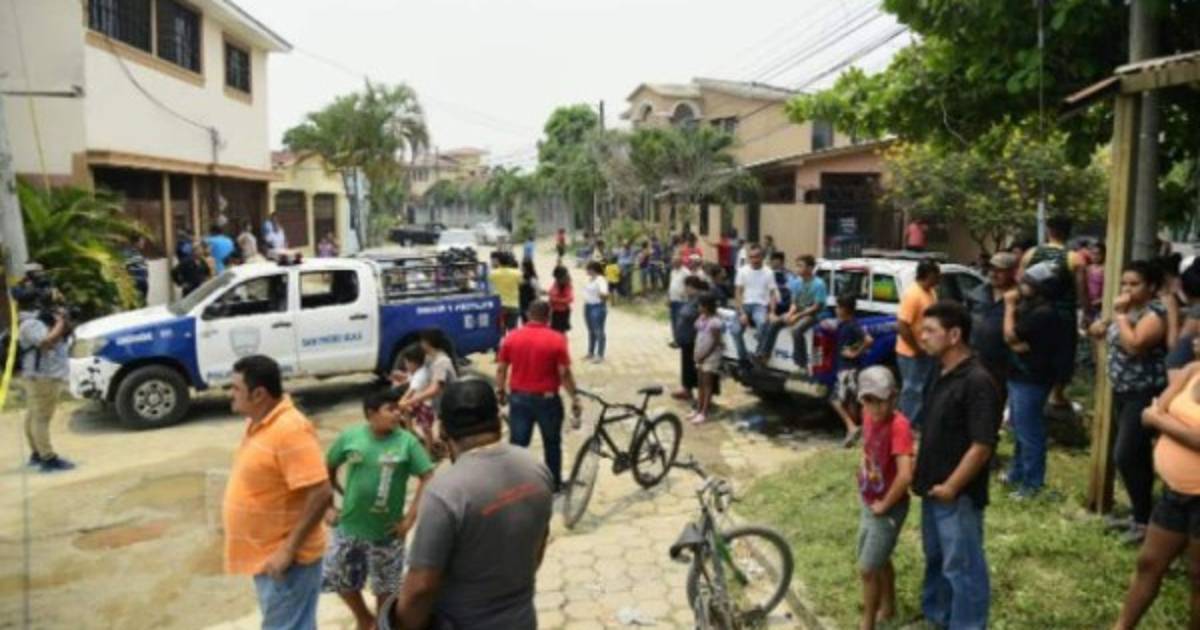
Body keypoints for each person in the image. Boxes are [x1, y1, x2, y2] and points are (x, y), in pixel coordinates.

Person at [383, 379, 554, 630]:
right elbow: (538, 547)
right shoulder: (536, 469)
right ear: (498, 420)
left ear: (443, 430)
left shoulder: (445, 492)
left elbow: (421, 587)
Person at [223, 355, 333, 630]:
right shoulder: (260, 422)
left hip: (287, 562)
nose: (230, 393)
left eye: (235, 388)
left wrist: (288, 549)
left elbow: (321, 492)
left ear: (259, 394)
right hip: (269, 558)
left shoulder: (290, 430)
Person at [912, 301, 1002, 630]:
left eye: (930, 330)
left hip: (957, 495)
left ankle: (968, 624)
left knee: (963, 567)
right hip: (932, 488)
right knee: (937, 559)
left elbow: (982, 446)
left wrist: (952, 487)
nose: (922, 336)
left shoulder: (977, 381)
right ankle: (938, 617)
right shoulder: (939, 371)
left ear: (954, 335)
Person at [323, 389, 434, 630]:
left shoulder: (407, 442)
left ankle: (381, 625)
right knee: (339, 578)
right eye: (390, 409)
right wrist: (329, 506)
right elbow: (326, 466)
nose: (397, 414)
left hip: (387, 533)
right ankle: (364, 619)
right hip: (348, 527)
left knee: (386, 589)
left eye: (398, 409)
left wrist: (409, 521)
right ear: (371, 414)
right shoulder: (350, 437)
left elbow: (428, 476)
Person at [1113, 359, 1200, 628]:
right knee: (1149, 563)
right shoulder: (1193, 370)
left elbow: (1157, 417)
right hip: (1175, 493)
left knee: (1198, 577)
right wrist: (1164, 421)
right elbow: (1149, 413)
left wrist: (1163, 422)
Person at [1087, 260, 1168, 544]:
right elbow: (1109, 332)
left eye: (1134, 284)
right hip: (1122, 390)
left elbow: (1135, 345)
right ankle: (1140, 516)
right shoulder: (1130, 311)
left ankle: (1145, 520)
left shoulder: (1155, 313)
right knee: (1136, 456)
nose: (1127, 289)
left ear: (1152, 287)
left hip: (1143, 392)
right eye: (1124, 283)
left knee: (1126, 455)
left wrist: (1119, 315)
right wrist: (1102, 325)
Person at [496, 300, 583, 491]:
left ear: (528, 314)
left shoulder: (512, 338)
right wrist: (574, 396)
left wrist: (500, 391)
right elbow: (564, 373)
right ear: (548, 316)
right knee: (552, 443)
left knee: (518, 445)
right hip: (548, 400)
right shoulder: (557, 339)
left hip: (519, 399)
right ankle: (554, 484)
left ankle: (515, 485)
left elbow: (501, 369)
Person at [854, 366, 914, 630]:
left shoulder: (899, 426)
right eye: (868, 401)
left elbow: (905, 475)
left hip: (889, 506)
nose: (876, 408)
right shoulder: (867, 416)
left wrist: (886, 504)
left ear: (894, 397)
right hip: (869, 500)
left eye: (881, 401)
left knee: (867, 568)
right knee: (879, 557)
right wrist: (863, 475)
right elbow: (868, 448)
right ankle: (888, 606)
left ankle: (868, 623)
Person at [1002, 262, 1066, 498]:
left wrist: (1009, 307)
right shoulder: (1033, 309)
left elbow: (1010, 336)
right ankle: (1017, 473)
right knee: (1020, 428)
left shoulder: (1043, 314)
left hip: (1032, 378)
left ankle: (1032, 484)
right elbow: (1017, 342)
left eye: (1027, 282)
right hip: (1020, 375)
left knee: (1029, 432)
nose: (1021, 286)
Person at [1020, 216, 1087, 409]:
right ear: (1069, 232)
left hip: (1034, 314)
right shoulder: (1074, 258)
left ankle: (1035, 389)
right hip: (1063, 315)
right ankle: (1056, 394)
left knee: (1034, 350)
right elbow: (1082, 291)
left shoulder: (1031, 253)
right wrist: (1086, 312)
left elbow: (1021, 281)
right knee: (1063, 355)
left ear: (1048, 230)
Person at [13, 270, 74, 472]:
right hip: (43, 376)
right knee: (41, 418)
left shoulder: (33, 319)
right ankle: (47, 458)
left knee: (34, 415)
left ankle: (36, 453)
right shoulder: (30, 323)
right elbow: (46, 342)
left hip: (37, 375)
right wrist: (61, 322)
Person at [758, 254, 826, 367]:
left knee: (796, 330)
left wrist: (797, 316)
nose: (797, 268)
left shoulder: (819, 284)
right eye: (797, 265)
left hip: (814, 314)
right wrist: (790, 314)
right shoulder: (797, 282)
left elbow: (816, 307)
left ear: (810, 268)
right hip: (799, 311)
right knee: (774, 322)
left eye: (800, 266)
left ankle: (801, 364)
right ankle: (764, 355)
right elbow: (794, 303)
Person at [967, 252, 1018, 398]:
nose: (994, 274)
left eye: (1000, 271)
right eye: (992, 269)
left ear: (1012, 272)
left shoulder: (1020, 297)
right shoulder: (977, 293)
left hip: (1006, 364)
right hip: (977, 359)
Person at [896, 260, 940, 426]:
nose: (939, 279)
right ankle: (906, 426)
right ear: (928, 275)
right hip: (911, 353)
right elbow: (902, 325)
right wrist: (916, 347)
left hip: (929, 350)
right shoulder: (913, 295)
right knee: (912, 390)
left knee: (926, 389)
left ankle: (920, 424)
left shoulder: (931, 292)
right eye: (936, 275)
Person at [829, 294, 872, 447]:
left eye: (838, 307)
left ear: (845, 309)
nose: (836, 310)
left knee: (835, 400)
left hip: (848, 369)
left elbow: (868, 340)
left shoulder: (853, 325)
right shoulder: (844, 324)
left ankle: (851, 427)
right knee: (851, 401)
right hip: (847, 368)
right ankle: (856, 432)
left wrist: (855, 353)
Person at [731, 245, 779, 366]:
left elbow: (773, 293)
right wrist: (742, 312)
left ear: (762, 257)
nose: (754, 259)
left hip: (760, 306)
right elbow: (737, 293)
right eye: (751, 257)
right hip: (745, 304)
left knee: (763, 324)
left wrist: (772, 312)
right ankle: (743, 359)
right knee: (735, 330)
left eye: (757, 256)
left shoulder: (769, 272)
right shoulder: (742, 271)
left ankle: (758, 354)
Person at [402, 329, 458, 417]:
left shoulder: (442, 362)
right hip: (437, 404)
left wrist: (410, 401)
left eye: (422, 341)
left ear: (427, 343)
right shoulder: (429, 358)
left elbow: (434, 389)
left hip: (448, 405)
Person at [672, 276, 710, 404]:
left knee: (696, 369)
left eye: (686, 287)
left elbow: (703, 318)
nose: (685, 290)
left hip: (695, 339)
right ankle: (686, 389)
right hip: (686, 339)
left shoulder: (701, 299)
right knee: (686, 366)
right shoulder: (690, 299)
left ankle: (702, 397)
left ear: (692, 287)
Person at [691, 294, 724, 425]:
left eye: (700, 305)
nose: (698, 308)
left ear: (706, 306)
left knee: (707, 384)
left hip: (710, 356)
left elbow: (716, 343)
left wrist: (704, 356)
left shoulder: (715, 322)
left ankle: (704, 412)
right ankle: (698, 409)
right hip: (700, 354)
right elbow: (697, 328)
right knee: (700, 383)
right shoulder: (702, 318)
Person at [583, 261, 610, 362]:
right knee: (591, 330)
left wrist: (601, 298)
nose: (586, 271)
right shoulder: (590, 279)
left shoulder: (600, 280)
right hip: (588, 306)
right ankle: (590, 352)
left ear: (593, 270)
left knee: (599, 331)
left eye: (588, 269)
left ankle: (600, 354)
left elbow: (604, 293)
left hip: (597, 306)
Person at [489, 253, 522, 336]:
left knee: (500, 330)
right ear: (509, 262)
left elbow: (489, 285)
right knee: (513, 331)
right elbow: (521, 283)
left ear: (499, 262)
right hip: (513, 305)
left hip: (499, 305)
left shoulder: (493, 273)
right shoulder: (517, 273)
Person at [667, 254, 692, 348]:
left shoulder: (686, 272)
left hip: (682, 301)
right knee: (673, 321)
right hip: (673, 299)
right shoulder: (673, 271)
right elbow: (670, 285)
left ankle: (681, 341)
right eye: (672, 261)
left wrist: (685, 293)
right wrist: (668, 297)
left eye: (675, 261)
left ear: (680, 262)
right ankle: (676, 340)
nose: (673, 263)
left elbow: (690, 285)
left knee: (680, 322)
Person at [547, 265, 574, 335]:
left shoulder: (566, 285)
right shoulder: (557, 282)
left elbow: (570, 299)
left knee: (560, 333)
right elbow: (552, 292)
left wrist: (556, 300)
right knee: (554, 332)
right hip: (555, 311)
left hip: (562, 312)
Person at [518, 259, 539, 325]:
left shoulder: (532, 279)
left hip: (529, 305)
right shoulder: (522, 277)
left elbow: (537, 293)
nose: (521, 268)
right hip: (523, 304)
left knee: (529, 323)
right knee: (525, 323)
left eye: (522, 266)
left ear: (526, 267)